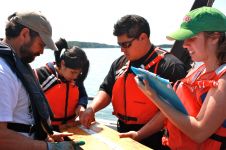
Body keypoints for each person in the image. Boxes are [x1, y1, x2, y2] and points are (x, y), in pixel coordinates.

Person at [80, 14, 187, 149]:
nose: (121, 49)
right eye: (119, 44)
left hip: (156, 139)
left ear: (143, 37)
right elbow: (106, 89)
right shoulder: (119, 63)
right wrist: (91, 109)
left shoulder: (170, 67)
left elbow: (172, 110)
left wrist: (139, 134)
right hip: (124, 134)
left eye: (126, 44)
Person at [135, 6, 226, 150]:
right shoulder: (197, 72)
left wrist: (154, 97)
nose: (184, 44)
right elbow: (172, 112)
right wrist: (138, 134)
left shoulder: (223, 81)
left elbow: (199, 133)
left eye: (192, 38)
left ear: (215, 37)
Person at [0, 11, 81, 150]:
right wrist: (48, 147)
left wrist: (46, 135)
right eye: (41, 44)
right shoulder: (4, 73)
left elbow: (23, 118)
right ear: (25, 34)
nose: (42, 52)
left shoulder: (19, 67)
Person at [35, 38, 89, 132]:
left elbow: (83, 95)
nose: (76, 77)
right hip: (47, 131)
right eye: (73, 72)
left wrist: (82, 105)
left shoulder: (75, 78)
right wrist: (53, 130)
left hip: (72, 128)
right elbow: (29, 111)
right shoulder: (41, 76)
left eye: (78, 73)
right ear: (63, 64)